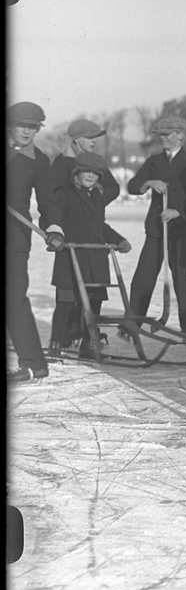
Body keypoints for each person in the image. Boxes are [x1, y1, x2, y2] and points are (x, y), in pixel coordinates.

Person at [126, 115, 186, 337]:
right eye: (160, 134)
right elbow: (132, 185)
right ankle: (133, 323)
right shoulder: (154, 161)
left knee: (182, 278)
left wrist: (178, 210)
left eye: (167, 134)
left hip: (183, 229)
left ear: (180, 135)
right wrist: (148, 183)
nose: (162, 138)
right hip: (156, 229)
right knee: (144, 277)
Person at [48, 152, 132, 359]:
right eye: (87, 171)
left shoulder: (98, 196)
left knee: (93, 306)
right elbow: (52, 216)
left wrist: (119, 239)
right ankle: (56, 343)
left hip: (95, 259)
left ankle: (89, 343)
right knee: (66, 304)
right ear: (77, 172)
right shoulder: (64, 194)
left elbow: (99, 226)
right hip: (71, 256)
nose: (91, 176)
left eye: (96, 174)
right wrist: (54, 235)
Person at [6, 102, 66, 383]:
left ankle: (34, 364)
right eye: (22, 126)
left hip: (14, 237)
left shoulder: (39, 160)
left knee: (14, 299)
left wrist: (54, 228)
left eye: (33, 127)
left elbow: (47, 199)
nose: (28, 132)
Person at [49, 118, 120, 203]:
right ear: (76, 139)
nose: (94, 140)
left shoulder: (96, 161)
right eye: (90, 137)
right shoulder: (62, 161)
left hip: (94, 215)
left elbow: (113, 188)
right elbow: (55, 193)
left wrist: (96, 203)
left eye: (95, 137)